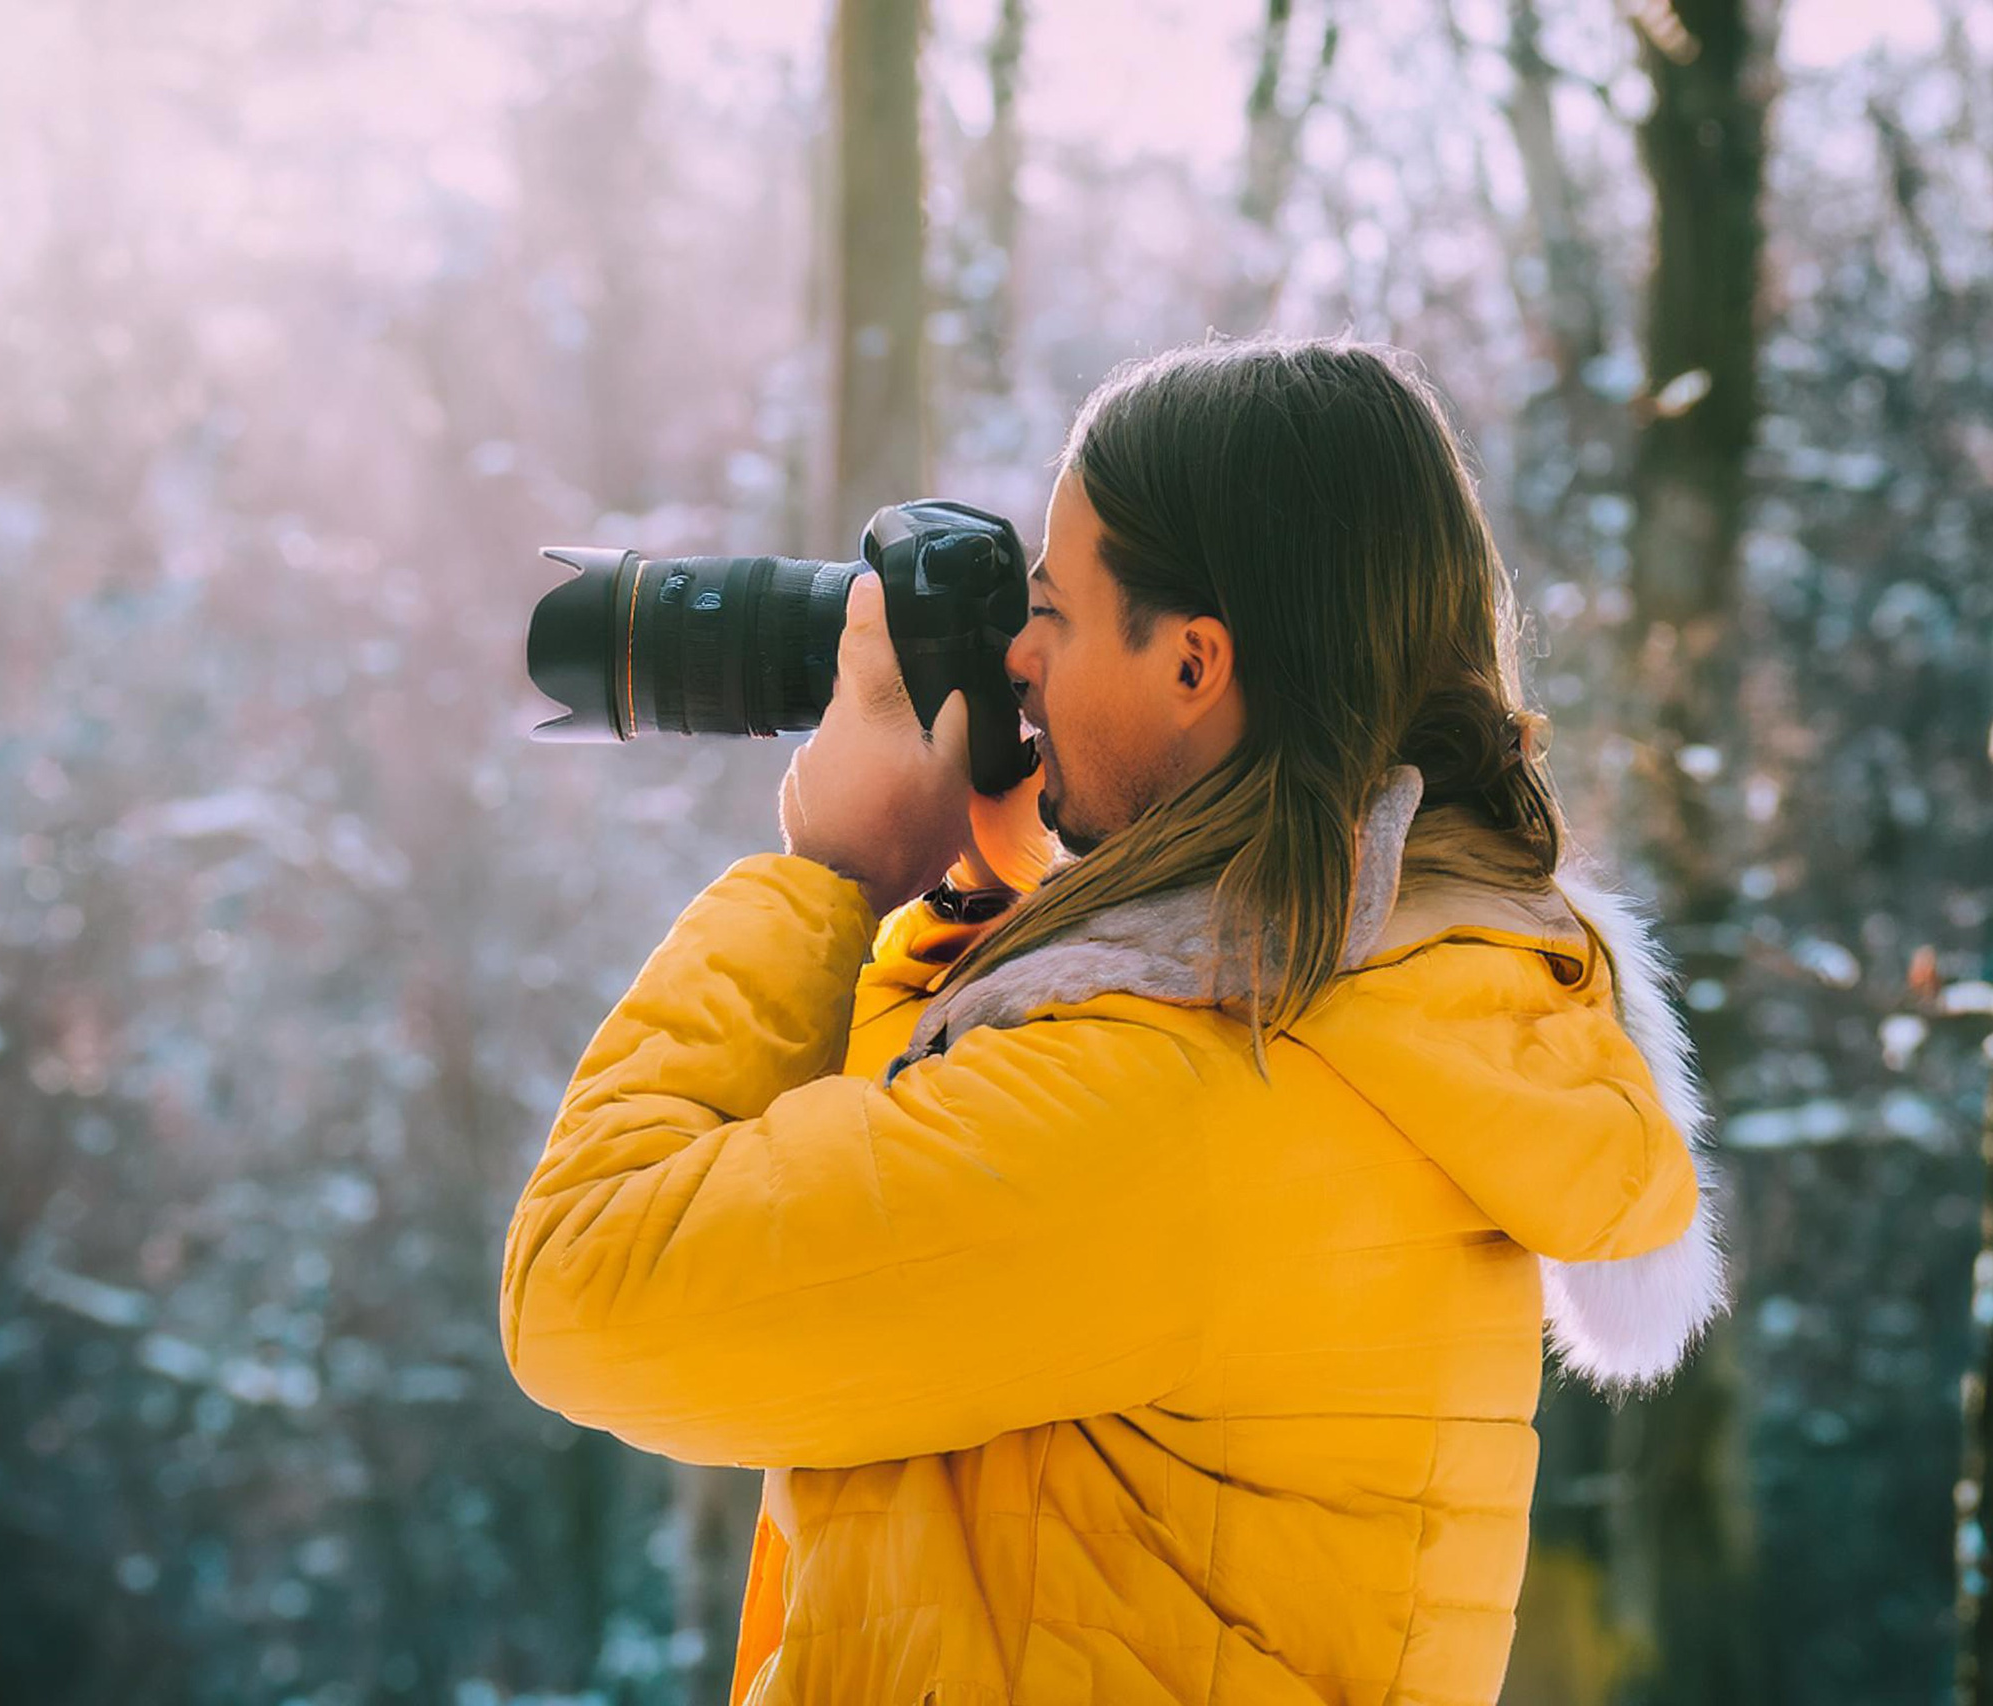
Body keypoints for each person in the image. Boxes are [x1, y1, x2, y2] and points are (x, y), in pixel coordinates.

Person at [499, 333, 1729, 1706]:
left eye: (1057, 613)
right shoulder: (1371, 1011)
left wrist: (830, 881)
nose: (1018, 655)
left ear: (1196, 663)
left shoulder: (1182, 1098)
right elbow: (866, 1196)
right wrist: (981, 904)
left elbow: (589, 1284)